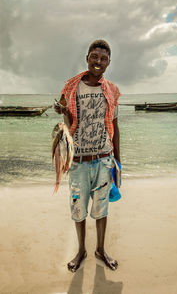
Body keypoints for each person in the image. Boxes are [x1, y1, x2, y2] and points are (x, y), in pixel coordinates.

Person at [54, 39, 121, 272]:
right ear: (87, 58)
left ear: (108, 63)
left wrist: (118, 162)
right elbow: (69, 124)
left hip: (104, 159)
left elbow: (115, 126)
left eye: (103, 58)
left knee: (102, 210)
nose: (98, 61)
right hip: (79, 161)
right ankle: (81, 250)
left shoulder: (111, 90)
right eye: (94, 56)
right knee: (78, 210)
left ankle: (100, 250)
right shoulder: (72, 88)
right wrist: (63, 112)